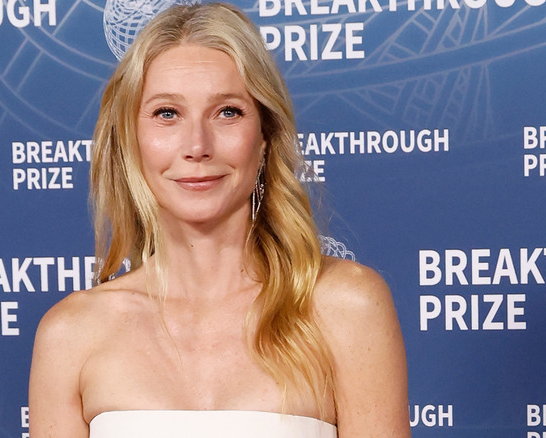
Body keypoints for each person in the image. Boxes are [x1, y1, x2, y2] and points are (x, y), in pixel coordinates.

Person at [28, 3, 411, 437]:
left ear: (264, 138)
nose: (197, 145)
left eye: (227, 111)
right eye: (166, 113)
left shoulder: (345, 307)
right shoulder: (71, 335)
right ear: (131, 141)